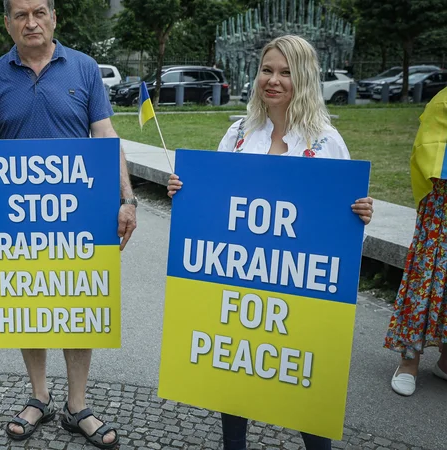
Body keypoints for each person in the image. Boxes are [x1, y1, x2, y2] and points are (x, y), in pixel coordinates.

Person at [167, 35, 374, 450]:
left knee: (305, 384)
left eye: (285, 72)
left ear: (304, 79)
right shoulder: (239, 135)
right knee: (236, 369)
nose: (273, 81)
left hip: (299, 292)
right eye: (267, 70)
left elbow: (337, 226)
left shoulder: (326, 142)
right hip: (241, 282)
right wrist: (186, 193)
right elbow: (215, 210)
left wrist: (360, 213)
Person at [0, 0, 135, 448]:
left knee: (78, 307)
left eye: (38, 12)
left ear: (54, 17)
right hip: (14, 215)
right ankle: (39, 397)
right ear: (8, 23)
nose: (30, 22)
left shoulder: (86, 68)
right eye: (20, 15)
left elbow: (106, 137)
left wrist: (127, 198)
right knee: (26, 305)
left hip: (80, 215)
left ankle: (77, 406)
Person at [384, 86, 447, 396]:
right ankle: (409, 362)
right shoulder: (444, 101)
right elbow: (430, 152)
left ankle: (446, 361)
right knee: (427, 282)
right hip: (442, 215)